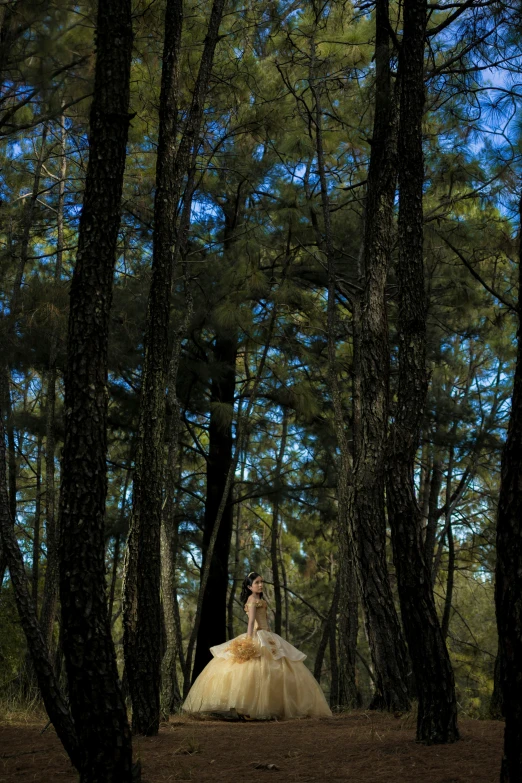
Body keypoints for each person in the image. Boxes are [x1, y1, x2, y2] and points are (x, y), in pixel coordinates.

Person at [182, 571, 332, 719]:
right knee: (253, 670)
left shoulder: (261, 601)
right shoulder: (252, 601)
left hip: (267, 635)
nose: (260, 585)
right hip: (256, 635)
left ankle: (273, 707)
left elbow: (265, 621)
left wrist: (271, 635)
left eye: (262, 582)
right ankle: (249, 708)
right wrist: (248, 641)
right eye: (257, 583)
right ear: (249, 587)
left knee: (278, 668)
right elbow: (252, 622)